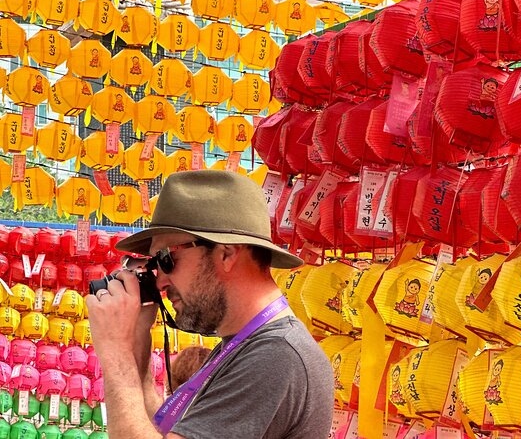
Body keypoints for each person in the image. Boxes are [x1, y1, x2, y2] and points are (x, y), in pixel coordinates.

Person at [86, 170, 335, 439]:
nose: (160, 281)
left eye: (166, 258)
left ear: (227, 254)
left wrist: (114, 351)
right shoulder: (245, 345)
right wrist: (137, 348)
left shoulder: (276, 357)